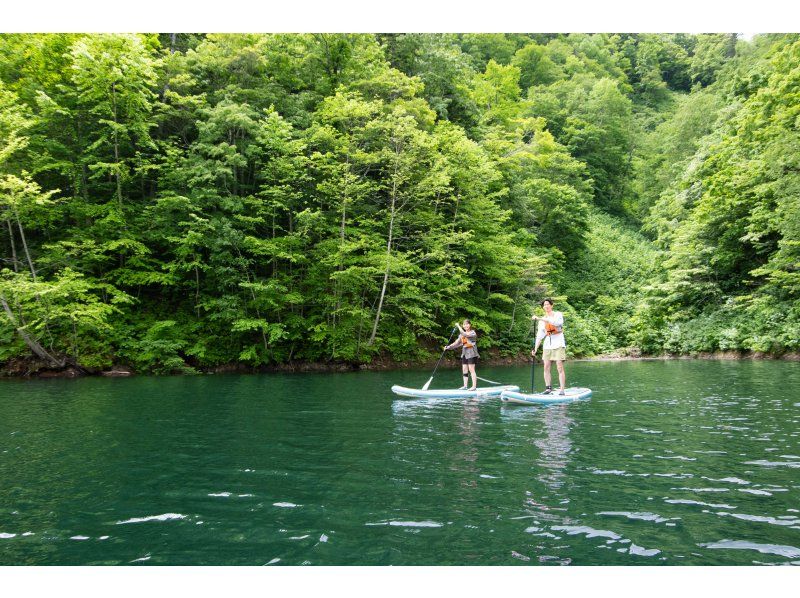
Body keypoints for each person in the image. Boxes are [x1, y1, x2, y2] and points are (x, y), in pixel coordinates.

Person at [531, 298, 566, 395]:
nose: (546, 306)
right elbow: (539, 337)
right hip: (547, 345)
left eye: (547, 304)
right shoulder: (542, 322)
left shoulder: (558, 315)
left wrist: (540, 318)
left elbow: (556, 323)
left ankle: (562, 390)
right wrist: (535, 349)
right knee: (546, 366)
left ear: (551, 305)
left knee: (559, 366)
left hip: (558, 343)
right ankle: (548, 388)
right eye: (544, 305)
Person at [445, 319, 479, 390]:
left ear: (470, 325)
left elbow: (465, 334)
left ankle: (474, 387)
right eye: (464, 324)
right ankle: (465, 386)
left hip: (472, 353)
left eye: (467, 324)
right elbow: (456, 343)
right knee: (464, 369)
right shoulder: (461, 335)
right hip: (465, 353)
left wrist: (458, 326)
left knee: (471, 369)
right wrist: (448, 347)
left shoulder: (473, 333)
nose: (465, 325)